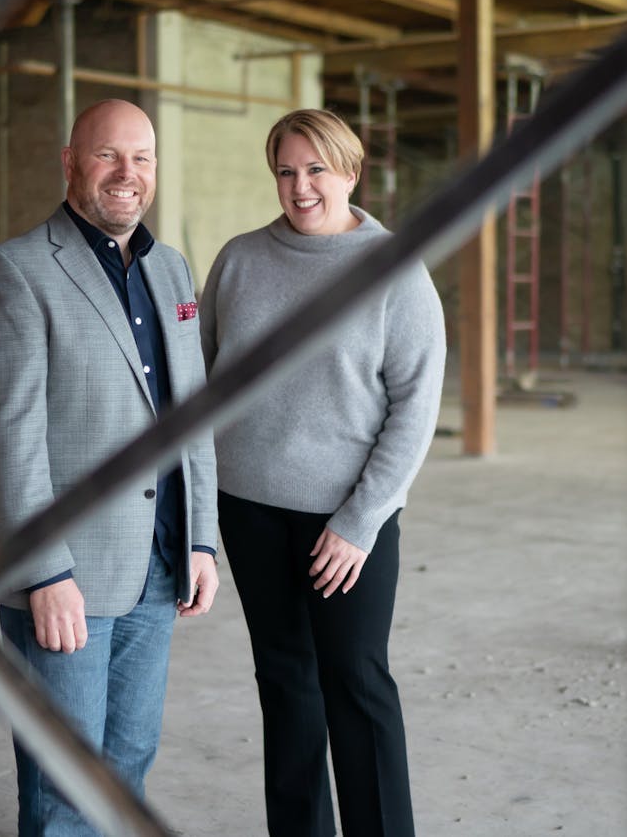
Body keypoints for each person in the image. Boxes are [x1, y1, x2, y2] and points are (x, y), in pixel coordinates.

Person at [0, 98, 219, 837]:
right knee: (65, 776)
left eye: (141, 158)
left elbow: (191, 411)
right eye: (108, 155)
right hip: (68, 573)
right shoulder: (15, 271)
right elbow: (5, 434)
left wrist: (202, 539)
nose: (126, 174)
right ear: (71, 163)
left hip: (159, 565)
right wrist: (44, 573)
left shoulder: (171, 270)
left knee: (130, 756)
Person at [199, 108, 445, 837]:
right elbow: (204, 383)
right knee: (284, 683)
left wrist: (359, 521)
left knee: (357, 684)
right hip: (248, 509)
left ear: (350, 171)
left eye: (315, 169)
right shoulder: (240, 261)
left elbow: (415, 407)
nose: (300, 187)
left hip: (348, 520)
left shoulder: (394, 268)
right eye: (285, 171)